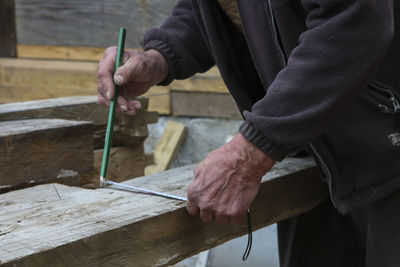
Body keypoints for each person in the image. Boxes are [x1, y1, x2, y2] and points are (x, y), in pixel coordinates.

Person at [97, 1, 400, 266]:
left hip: (386, 142)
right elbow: (216, 9)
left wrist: (251, 152)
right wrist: (159, 57)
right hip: (312, 147)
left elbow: (354, 22)